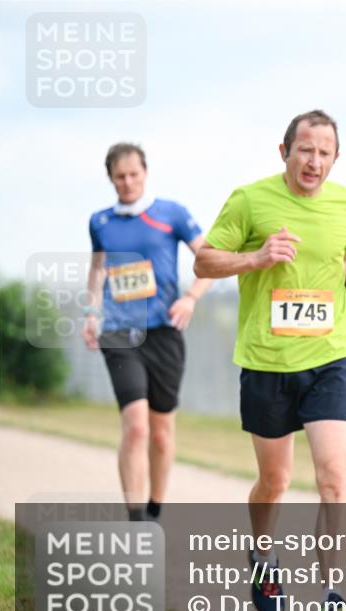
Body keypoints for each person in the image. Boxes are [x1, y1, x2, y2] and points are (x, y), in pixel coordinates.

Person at [193, 110, 346, 611]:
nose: (314, 161)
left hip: (331, 356)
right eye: (305, 150)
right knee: (274, 481)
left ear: (335, 159)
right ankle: (261, 553)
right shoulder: (250, 199)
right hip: (267, 361)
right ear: (285, 152)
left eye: (324, 153)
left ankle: (334, 596)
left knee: (335, 476)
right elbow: (204, 262)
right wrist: (257, 257)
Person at [83, 142, 213, 523]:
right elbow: (98, 270)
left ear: (145, 173)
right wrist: (91, 312)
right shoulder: (100, 222)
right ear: (110, 179)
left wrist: (190, 298)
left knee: (160, 432)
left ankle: (155, 505)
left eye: (133, 174)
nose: (127, 182)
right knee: (136, 427)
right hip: (118, 333)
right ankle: (136, 518)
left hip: (164, 333)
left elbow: (210, 260)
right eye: (119, 177)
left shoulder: (171, 214)